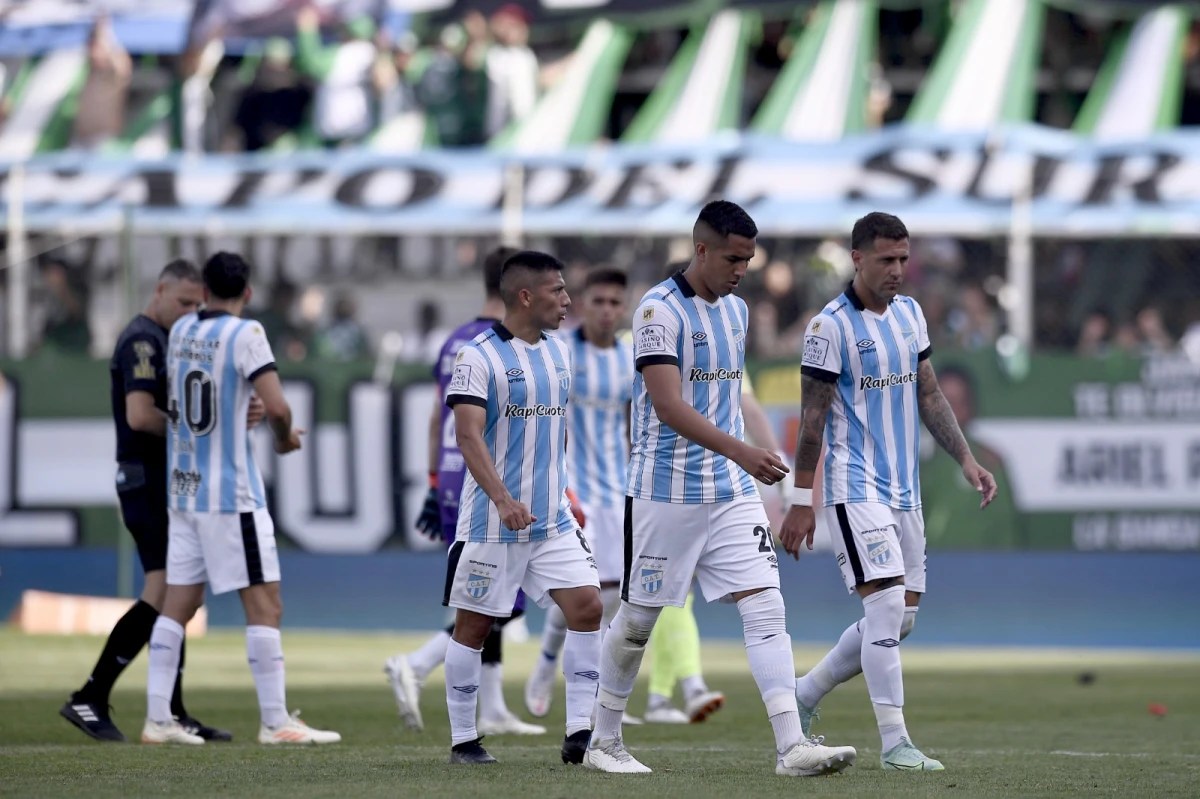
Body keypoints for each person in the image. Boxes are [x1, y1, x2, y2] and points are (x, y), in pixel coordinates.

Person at [585, 201, 857, 777]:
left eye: (749, 260)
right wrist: (743, 451)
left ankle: (791, 747)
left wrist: (749, 459)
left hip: (728, 492)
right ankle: (602, 740)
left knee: (765, 604)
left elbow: (732, 398)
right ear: (701, 249)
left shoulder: (735, 311)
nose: (742, 269)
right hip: (664, 492)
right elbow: (667, 405)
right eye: (733, 258)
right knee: (636, 621)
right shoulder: (658, 311)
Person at [780, 212, 998, 772]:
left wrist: (967, 459)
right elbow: (812, 421)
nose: (898, 269)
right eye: (887, 260)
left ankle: (804, 694)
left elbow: (928, 395)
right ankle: (896, 743)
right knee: (882, 608)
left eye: (903, 259)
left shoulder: (910, 315)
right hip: (855, 488)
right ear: (857, 259)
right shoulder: (829, 327)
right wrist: (801, 502)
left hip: (905, 490)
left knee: (901, 619)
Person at [141, 252, 340, 746]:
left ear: (203, 291)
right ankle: (276, 722)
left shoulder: (183, 330)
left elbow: (188, 396)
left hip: (183, 486)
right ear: (247, 294)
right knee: (266, 607)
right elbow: (276, 405)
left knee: (177, 605)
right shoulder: (246, 334)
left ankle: (157, 718)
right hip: (230, 493)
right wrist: (283, 437)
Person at [60, 260, 237, 743]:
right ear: (158, 290)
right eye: (182, 302)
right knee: (163, 590)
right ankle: (90, 695)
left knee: (179, 592)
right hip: (145, 478)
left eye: (195, 305)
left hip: (162, 479)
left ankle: (172, 711)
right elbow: (140, 416)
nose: (189, 312)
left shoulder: (170, 339)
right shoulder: (142, 340)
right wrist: (196, 427)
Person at [440, 250, 602, 766]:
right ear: (527, 296)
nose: (567, 300)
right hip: (493, 521)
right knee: (473, 627)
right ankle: (464, 739)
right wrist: (503, 499)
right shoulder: (477, 356)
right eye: (558, 290)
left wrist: (566, 492)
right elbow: (467, 436)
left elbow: (557, 430)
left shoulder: (559, 353)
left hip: (550, 518)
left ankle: (580, 732)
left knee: (588, 607)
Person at [385, 247, 546, 737]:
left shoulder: (455, 340)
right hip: (492, 478)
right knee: (500, 594)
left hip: (455, 473)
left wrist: (436, 480)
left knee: (494, 588)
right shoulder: (498, 341)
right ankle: (417, 663)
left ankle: (492, 706)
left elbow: (440, 417)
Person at [523, 268, 646, 725]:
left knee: (611, 599)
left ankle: (578, 681)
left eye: (616, 303)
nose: (607, 310)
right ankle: (547, 669)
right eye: (599, 301)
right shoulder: (559, 351)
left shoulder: (632, 356)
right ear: (583, 303)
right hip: (572, 490)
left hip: (618, 490)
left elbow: (636, 421)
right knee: (581, 594)